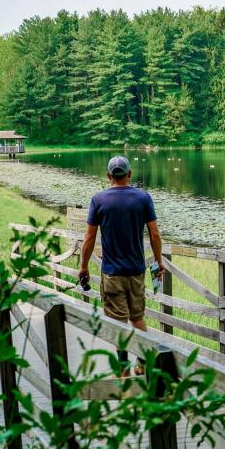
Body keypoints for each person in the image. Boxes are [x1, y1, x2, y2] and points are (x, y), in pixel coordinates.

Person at [78, 156, 164, 376]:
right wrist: (159, 260)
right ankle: (143, 362)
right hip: (136, 271)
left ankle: (124, 368)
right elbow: (154, 233)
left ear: (108, 176)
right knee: (137, 318)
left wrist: (84, 266)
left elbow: (89, 238)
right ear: (129, 174)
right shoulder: (143, 198)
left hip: (112, 273)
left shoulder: (99, 200)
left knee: (118, 322)